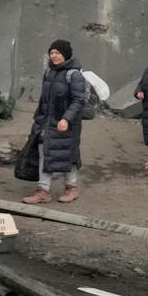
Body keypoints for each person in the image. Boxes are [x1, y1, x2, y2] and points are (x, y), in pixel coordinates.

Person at [23, 40, 87, 205]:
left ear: (65, 54)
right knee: (44, 149)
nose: (54, 56)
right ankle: (43, 191)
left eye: (57, 53)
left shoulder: (74, 75)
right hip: (46, 121)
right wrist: (38, 120)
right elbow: (44, 100)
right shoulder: (49, 72)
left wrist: (66, 118)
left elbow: (79, 100)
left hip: (67, 122)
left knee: (68, 152)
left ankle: (71, 188)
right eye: (52, 53)